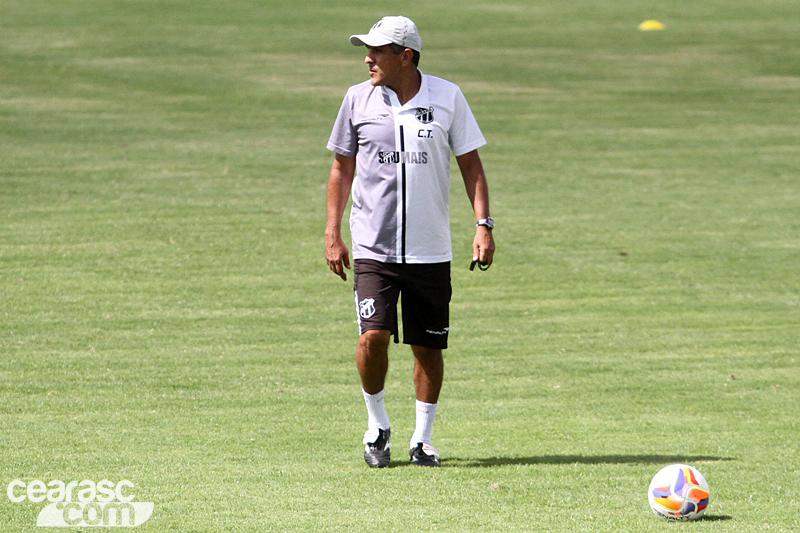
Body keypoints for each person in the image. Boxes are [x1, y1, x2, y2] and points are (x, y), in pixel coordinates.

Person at [324, 15, 495, 468]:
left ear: (406, 55)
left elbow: (471, 164)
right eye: (367, 49)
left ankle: (423, 439)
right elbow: (341, 168)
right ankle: (376, 425)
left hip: (429, 248)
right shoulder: (357, 99)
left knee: (428, 346)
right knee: (373, 337)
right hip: (372, 247)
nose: (367, 58)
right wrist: (332, 233)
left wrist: (484, 224)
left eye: (377, 50)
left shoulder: (447, 97)